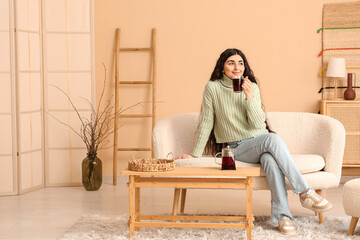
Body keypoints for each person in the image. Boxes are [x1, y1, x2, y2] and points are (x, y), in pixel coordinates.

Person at [175, 48, 332, 235]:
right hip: (235, 148)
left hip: (259, 142)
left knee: (270, 160)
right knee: (272, 139)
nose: (237, 67)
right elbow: (207, 122)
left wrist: (249, 97)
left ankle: (283, 217)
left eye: (240, 63)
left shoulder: (252, 87)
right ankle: (305, 192)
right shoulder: (213, 87)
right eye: (231, 63)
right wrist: (195, 154)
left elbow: (258, 124)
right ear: (222, 67)